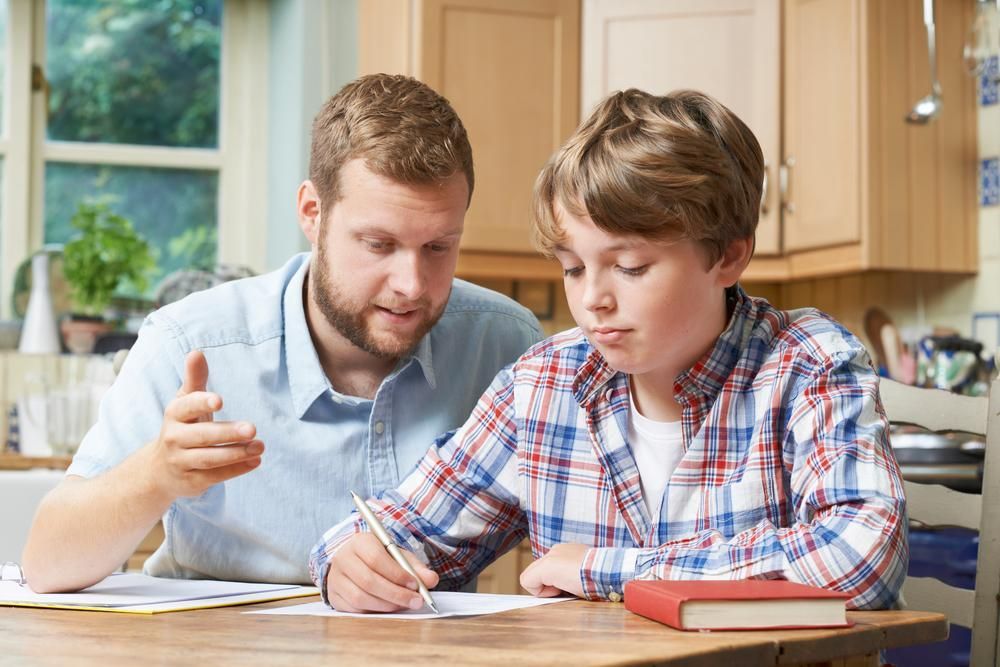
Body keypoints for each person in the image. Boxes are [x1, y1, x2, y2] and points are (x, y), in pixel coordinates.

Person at [310, 88, 907, 613]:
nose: (592, 299)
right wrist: (348, 564)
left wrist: (606, 569)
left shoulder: (808, 365)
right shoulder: (544, 383)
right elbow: (399, 531)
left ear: (728, 255)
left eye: (629, 267)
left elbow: (860, 556)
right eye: (573, 269)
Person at [22, 74, 544, 592]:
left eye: (438, 247)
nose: (411, 285)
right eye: (378, 244)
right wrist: (157, 473)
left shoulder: (506, 347)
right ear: (312, 214)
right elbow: (47, 565)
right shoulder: (189, 342)